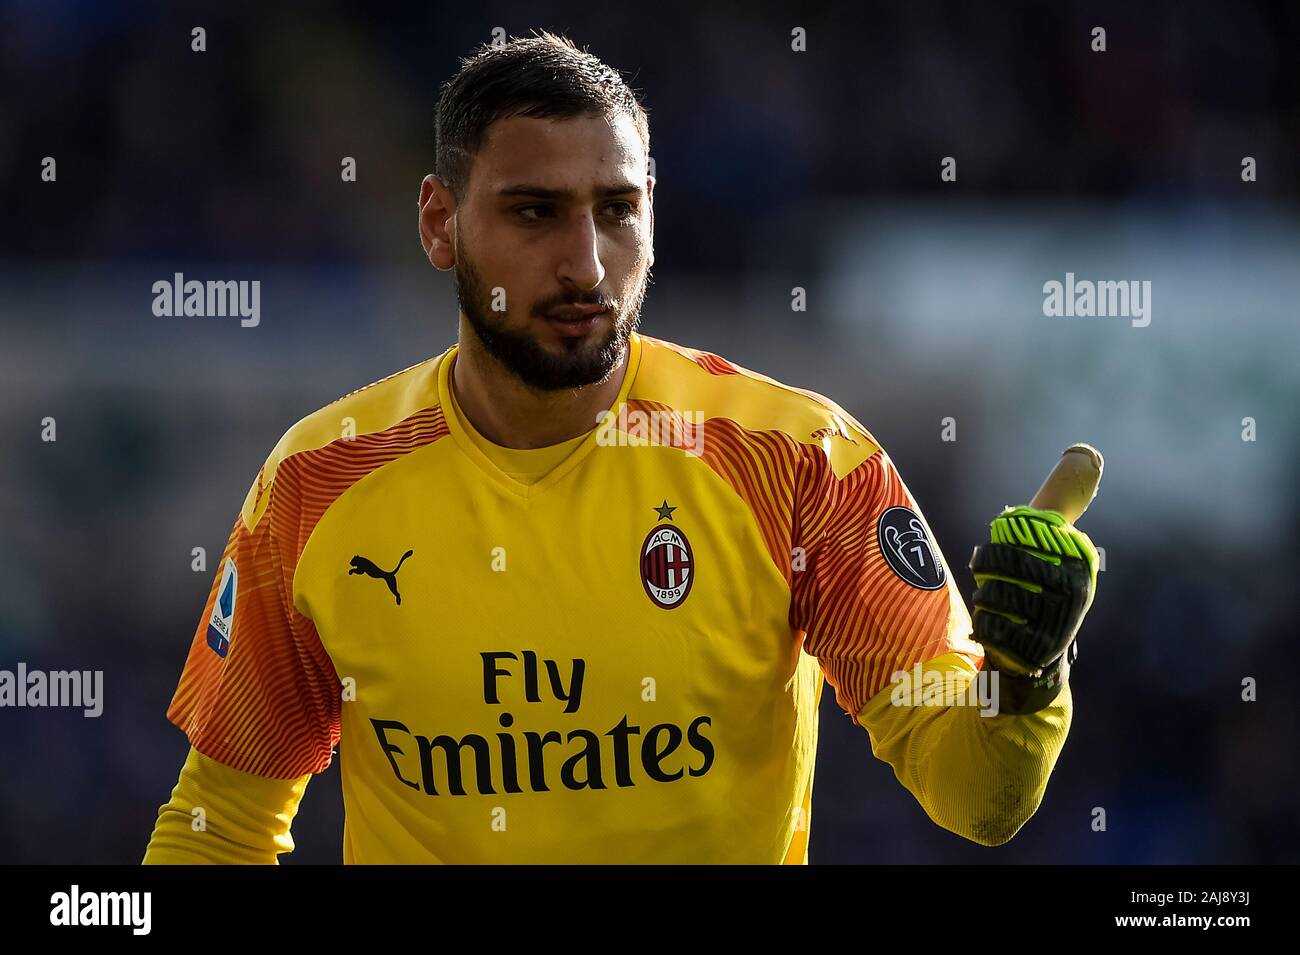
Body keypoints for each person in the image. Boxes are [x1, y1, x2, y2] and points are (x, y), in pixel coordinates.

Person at [144, 30, 1094, 864]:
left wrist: (1025, 676)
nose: (587, 265)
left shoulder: (799, 462)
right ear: (441, 221)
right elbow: (216, 827)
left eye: (616, 210)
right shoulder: (319, 481)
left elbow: (976, 799)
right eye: (534, 211)